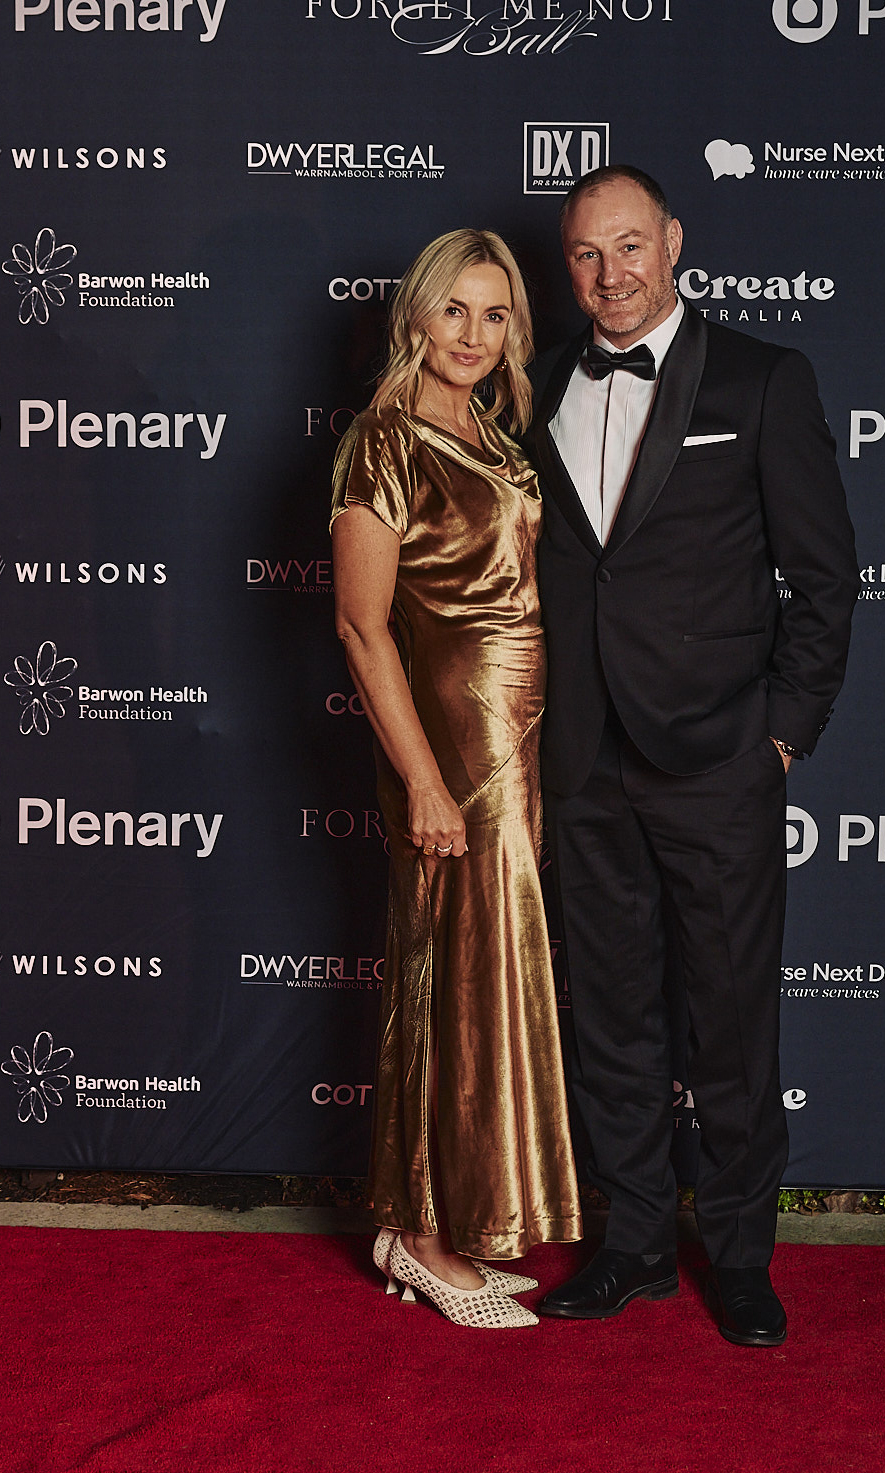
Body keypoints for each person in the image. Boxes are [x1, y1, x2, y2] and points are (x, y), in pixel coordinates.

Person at [530, 167, 858, 1346]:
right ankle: (629, 1248)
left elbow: (823, 578)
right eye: (584, 254)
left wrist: (780, 735)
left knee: (729, 1021)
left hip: (717, 758)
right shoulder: (536, 385)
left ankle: (739, 1256)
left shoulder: (762, 379)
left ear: (671, 242)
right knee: (611, 1017)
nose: (609, 274)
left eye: (628, 246)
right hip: (582, 759)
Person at [331, 229, 581, 1329]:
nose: (473, 335)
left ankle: (448, 1218)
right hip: (453, 742)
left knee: (491, 969)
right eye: (454, 310)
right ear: (416, 318)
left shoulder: (498, 437)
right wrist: (425, 782)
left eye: (495, 313)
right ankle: (426, 1238)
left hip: (519, 732)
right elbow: (361, 626)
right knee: (452, 971)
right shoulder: (381, 441)